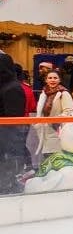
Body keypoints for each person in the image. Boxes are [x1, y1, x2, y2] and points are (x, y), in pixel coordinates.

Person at [0, 54, 27, 193]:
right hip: (4, 137)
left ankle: (7, 186)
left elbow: (13, 117)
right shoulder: (5, 85)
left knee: (5, 164)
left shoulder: (12, 88)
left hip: (6, 137)